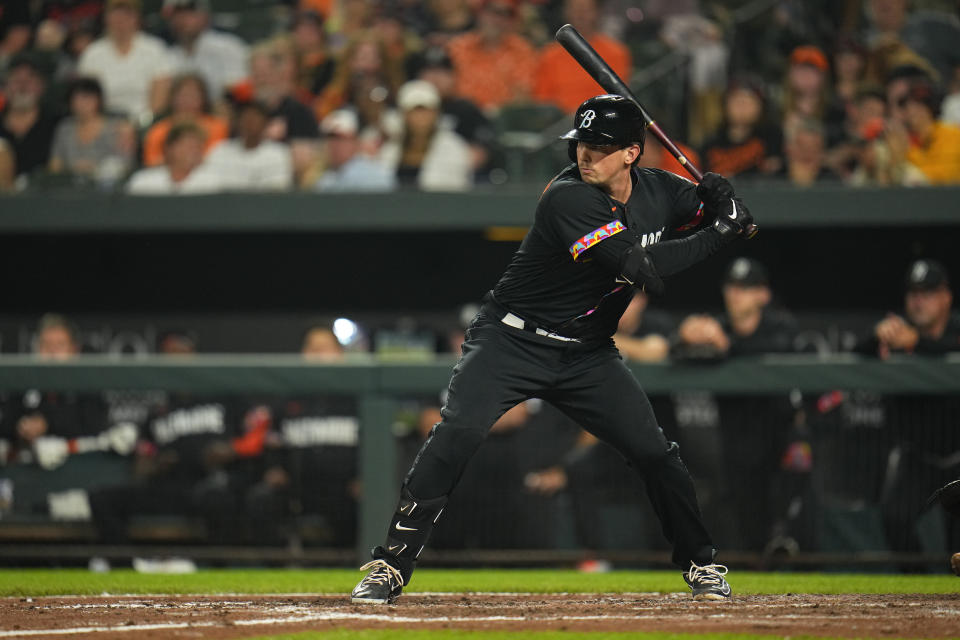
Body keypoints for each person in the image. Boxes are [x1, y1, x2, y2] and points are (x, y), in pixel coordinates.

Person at [351, 94, 756, 604]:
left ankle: (701, 563)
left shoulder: (663, 191)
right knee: (457, 433)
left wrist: (718, 201)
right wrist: (721, 230)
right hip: (511, 339)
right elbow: (644, 269)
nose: (586, 155)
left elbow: (705, 211)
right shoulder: (567, 197)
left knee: (655, 453)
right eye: (582, 144)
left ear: (632, 152)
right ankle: (389, 564)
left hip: (588, 352)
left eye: (601, 147)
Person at [674, 258, 803, 554]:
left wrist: (728, 346)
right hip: (734, 442)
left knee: (786, 516)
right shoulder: (718, 327)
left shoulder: (780, 326)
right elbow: (675, 350)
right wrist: (685, 336)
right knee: (743, 524)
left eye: (745, 288)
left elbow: (780, 348)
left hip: (779, 441)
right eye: (732, 287)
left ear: (763, 294)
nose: (736, 294)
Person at [76, 0, 174, 125]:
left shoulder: (154, 49)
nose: (121, 19)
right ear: (106, 17)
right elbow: (87, 97)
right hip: (103, 124)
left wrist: (142, 123)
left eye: (127, 14)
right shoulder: (92, 54)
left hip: (145, 122)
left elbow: (160, 97)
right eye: (115, 13)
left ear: (137, 18)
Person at [532, 0, 631, 113]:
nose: (580, 15)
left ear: (597, 13)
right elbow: (542, 102)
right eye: (575, 9)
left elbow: (615, 99)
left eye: (585, 10)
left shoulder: (617, 53)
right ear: (566, 12)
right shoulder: (548, 56)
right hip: (559, 124)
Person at [378, 79, 473, 191]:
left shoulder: (454, 147)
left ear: (436, 113)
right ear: (404, 115)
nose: (421, 117)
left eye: (426, 110)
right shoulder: (390, 148)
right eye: (415, 111)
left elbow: (457, 189)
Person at [446, 0, 536, 113]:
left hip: (504, 120)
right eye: (491, 11)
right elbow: (447, 89)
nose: (496, 20)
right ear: (480, 13)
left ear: (513, 21)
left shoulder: (522, 50)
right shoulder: (458, 48)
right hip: (464, 118)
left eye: (505, 14)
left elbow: (523, 96)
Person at [48, 77, 134, 183]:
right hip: (69, 185)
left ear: (99, 100)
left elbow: (125, 165)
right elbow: (55, 164)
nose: (82, 104)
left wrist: (95, 168)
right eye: (77, 99)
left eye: (87, 98)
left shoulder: (117, 127)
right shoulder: (65, 128)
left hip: (106, 186)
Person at [163, 0, 250, 105]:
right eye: (178, 15)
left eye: (190, 13)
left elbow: (240, 91)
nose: (184, 20)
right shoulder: (167, 55)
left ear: (204, 16)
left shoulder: (228, 47)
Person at [141, 73, 229, 167]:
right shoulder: (158, 131)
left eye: (193, 94)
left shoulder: (219, 127)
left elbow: (217, 159)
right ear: (173, 98)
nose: (188, 99)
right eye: (183, 94)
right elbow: (151, 163)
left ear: (203, 98)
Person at [205, 98, 294, 191]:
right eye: (245, 117)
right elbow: (208, 184)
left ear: (265, 123)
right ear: (237, 121)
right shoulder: (220, 150)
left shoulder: (279, 153)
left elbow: (276, 191)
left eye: (255, 118)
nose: (249, 122)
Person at [0, 54, 60, 182]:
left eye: (29, 81)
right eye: (16, 81)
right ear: (5, 87)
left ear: (41, 87)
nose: (23, 87)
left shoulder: (56, 124)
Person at [126, 121, 221, 194]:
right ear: (169, 148)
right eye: (187, 146)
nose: (193, 151)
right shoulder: (143, 182)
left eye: (198, 146)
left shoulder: (214, 184)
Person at [312, 108, 395, 191]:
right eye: (329, 139)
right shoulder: (324, 179)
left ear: (355, 142)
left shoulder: (373, 174)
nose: (334, 145)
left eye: (340, 139)